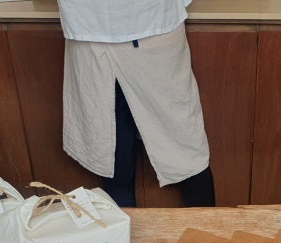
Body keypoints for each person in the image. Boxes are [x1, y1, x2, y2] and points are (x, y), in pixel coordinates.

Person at [58, 0, 216, 208]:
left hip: (151, 29)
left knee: (187, 152)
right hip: (90, 33)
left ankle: (206, 228)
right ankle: (123, 229)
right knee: (113, 153)